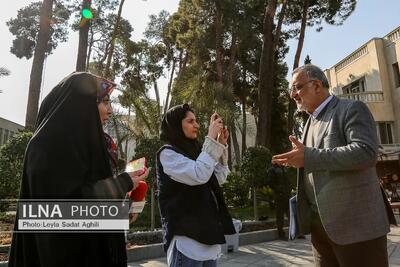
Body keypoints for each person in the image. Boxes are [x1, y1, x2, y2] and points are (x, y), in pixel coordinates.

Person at [8, 72, 148, 267]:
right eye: (104, 102)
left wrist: (121, 214)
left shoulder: (84, 147)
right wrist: (123, 183)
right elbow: (54, 216)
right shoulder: (49, 146)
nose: (110, 111)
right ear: (80, 105)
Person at [272, 64, 394, 266]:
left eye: (297, 87)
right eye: (291, 90)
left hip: (357, 229)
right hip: (321, 232)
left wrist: (309, 157)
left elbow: (366, 152)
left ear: (317, 85)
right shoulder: (310, 122)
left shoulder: (351, 109)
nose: (293, 94)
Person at [156, 104, 236, 267]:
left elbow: (217, 178)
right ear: (177, 125)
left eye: (196, 121)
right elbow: (199, 174)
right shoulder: (168, 154)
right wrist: (211, 139)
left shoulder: (198, 151)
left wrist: (219, 144)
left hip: (208, 237)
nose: (197, 125)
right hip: (187, 244)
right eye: (190, 121)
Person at [266, 164, 291, 240]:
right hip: (279, 196)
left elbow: (288, 180)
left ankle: (295, 232)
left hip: (287, 194)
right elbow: (270, 183)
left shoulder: (285, 168)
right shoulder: (272, 169)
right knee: (280, 215)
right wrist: (279, 189)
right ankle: (281, 234)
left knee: (291, 214)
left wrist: (290, 188)